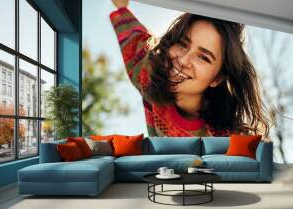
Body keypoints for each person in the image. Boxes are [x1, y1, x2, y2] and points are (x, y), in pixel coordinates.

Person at [110, 0, 270, 137]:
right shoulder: (148, 74)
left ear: (217, 78)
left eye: (203, 57)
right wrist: (122, 7)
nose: (184, 60)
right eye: (182, 44)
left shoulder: (225, 139)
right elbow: (135, 39)